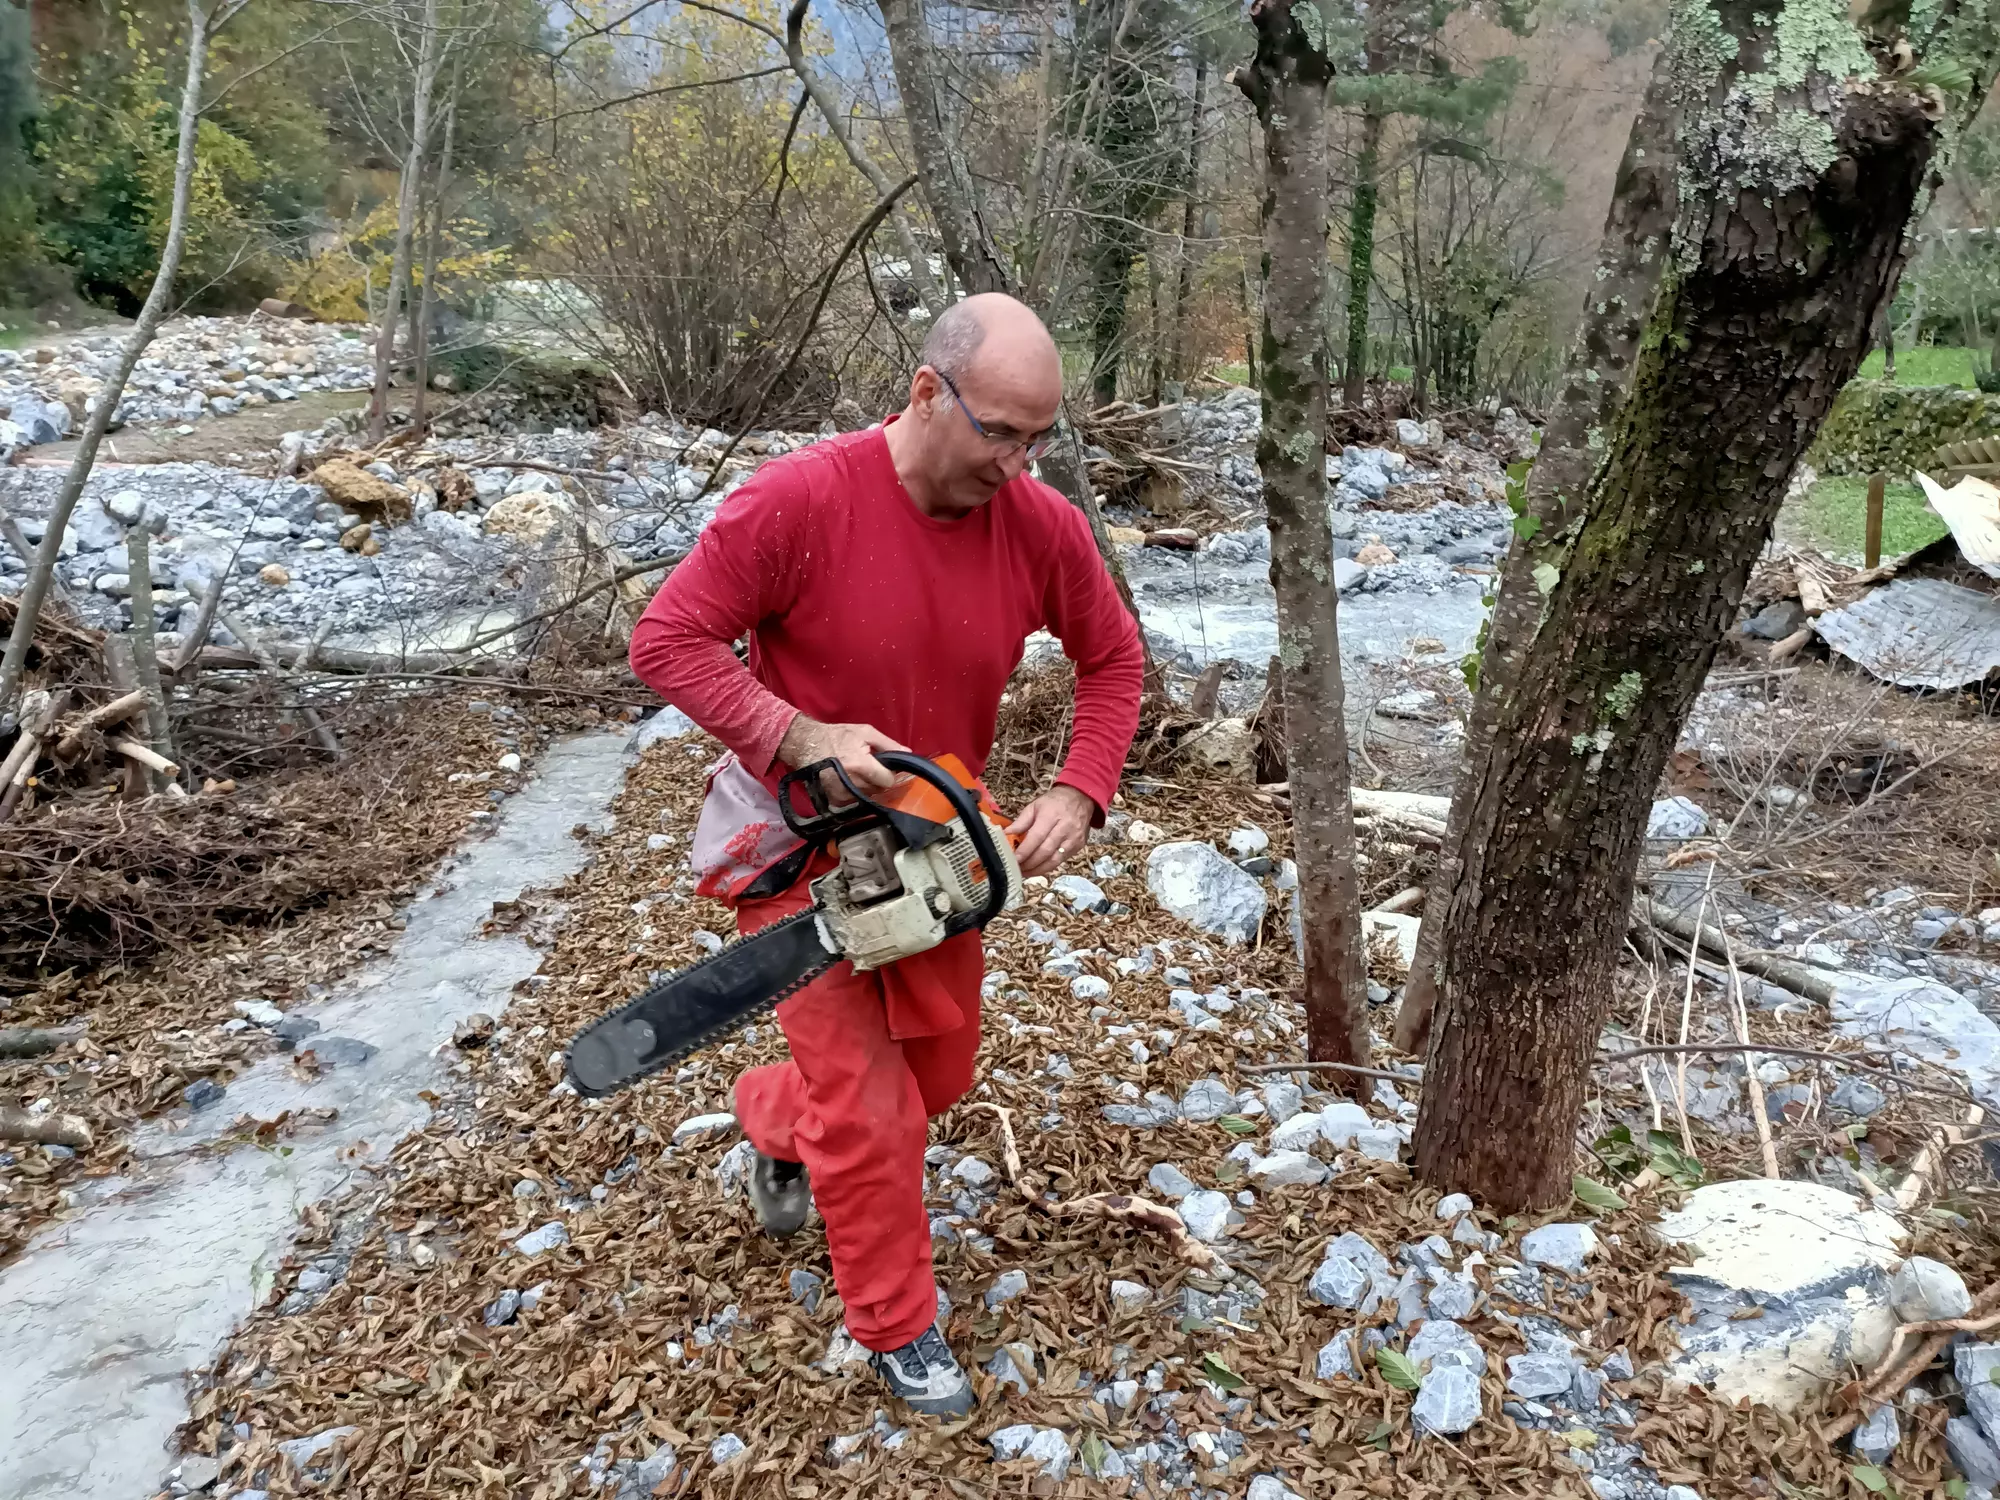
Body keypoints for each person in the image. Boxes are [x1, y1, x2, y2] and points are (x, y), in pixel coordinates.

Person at [627, 293, 1145, 1418]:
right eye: (999, 431)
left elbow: (1113, 662)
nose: (1017, 462)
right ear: (926, 392)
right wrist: (798, 732)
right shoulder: (798, 501)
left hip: (937, 854)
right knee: (870, 1114)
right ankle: (898, 1328)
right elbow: (665, 639)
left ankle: (774, 1124)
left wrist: (1078, 786)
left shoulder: (1039, 526)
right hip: (796, 847)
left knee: (935, 1081)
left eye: (1037, 438)